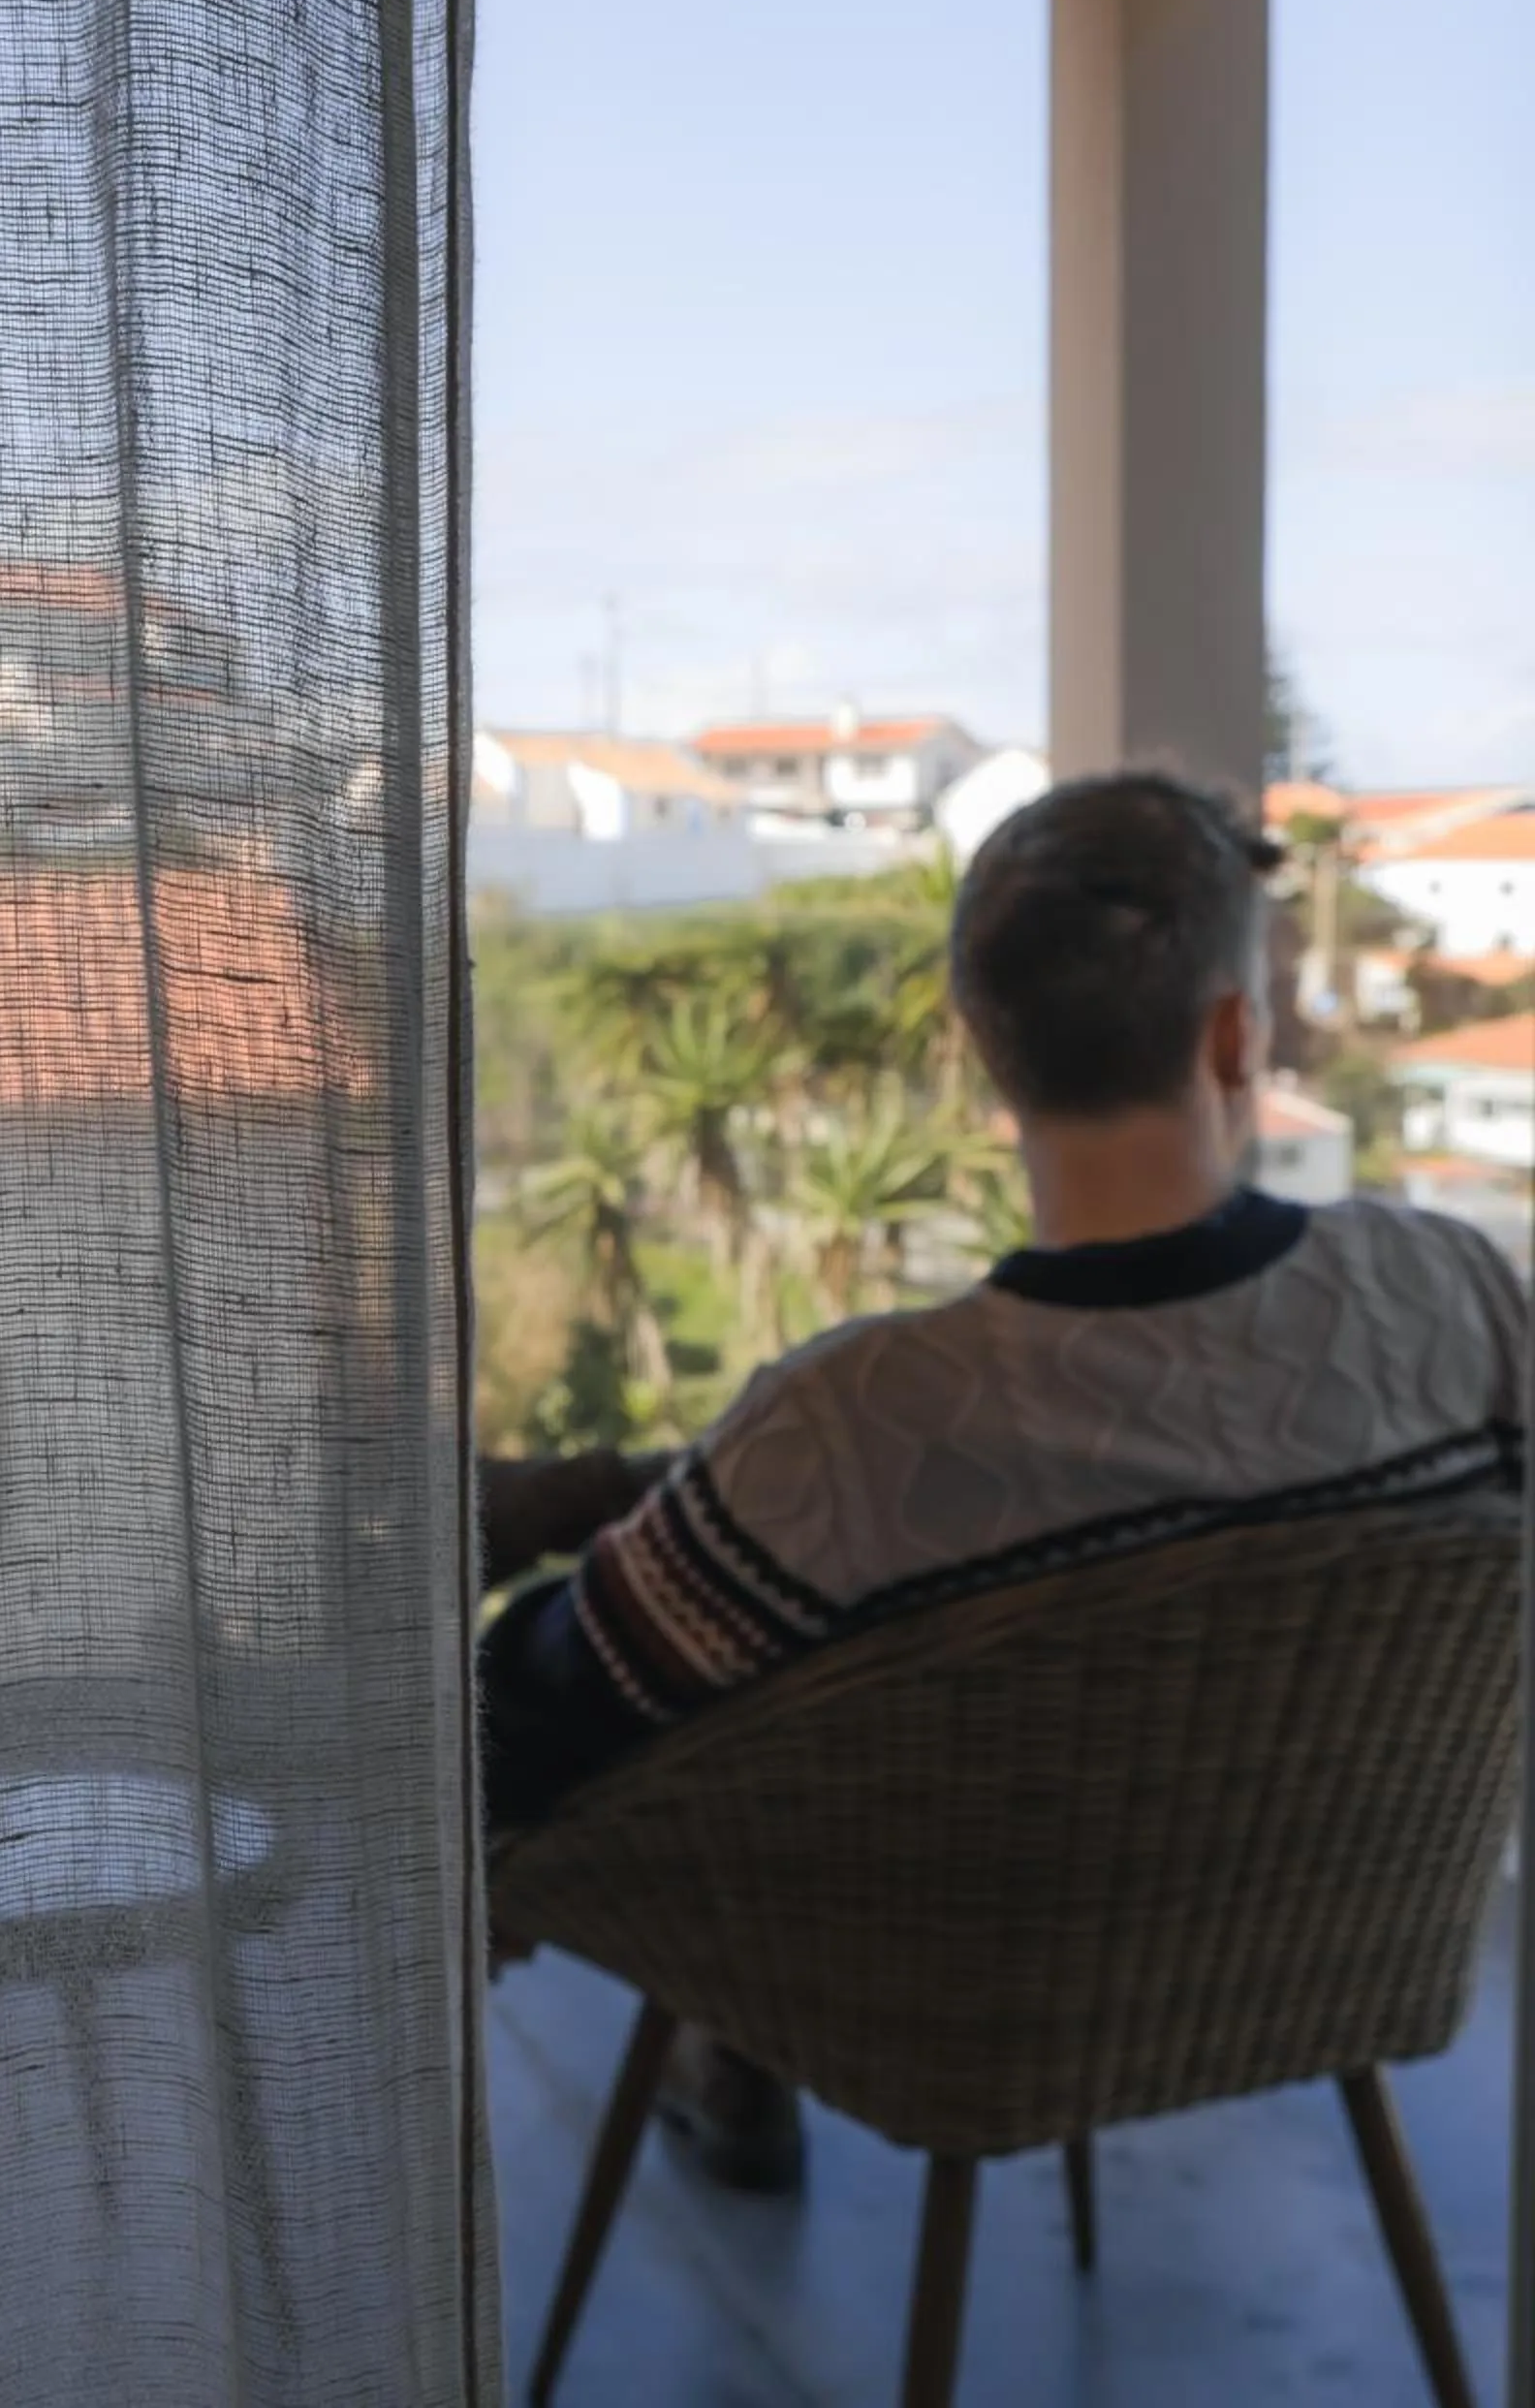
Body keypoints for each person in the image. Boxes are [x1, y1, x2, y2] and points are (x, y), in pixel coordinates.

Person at [479, 769, 1527, 2191]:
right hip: (1340, 1952)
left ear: (988, 1050)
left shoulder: (859, 1421)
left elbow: (531, 1716)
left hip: (948, 1993)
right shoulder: (1455, 1293)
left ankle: (717, 2051)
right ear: (1234, 1037)